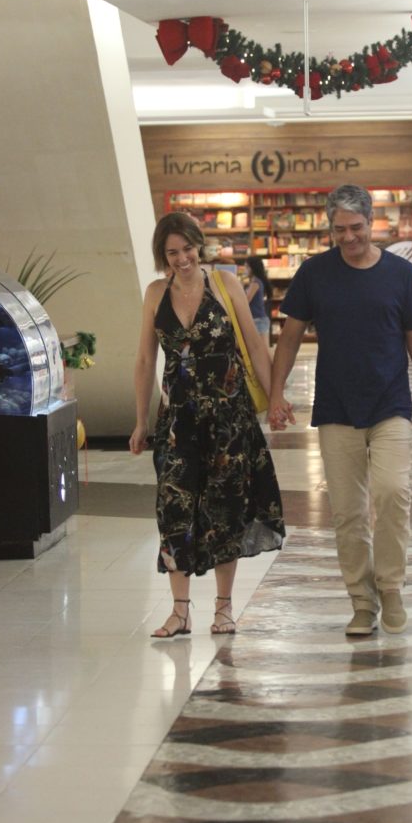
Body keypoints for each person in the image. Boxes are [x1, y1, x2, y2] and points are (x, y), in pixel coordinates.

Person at [268, 184, 412, 637]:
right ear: (330, 228)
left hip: (390, 405)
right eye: (339, 229)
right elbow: (289, 337)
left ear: (372, 224)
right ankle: (362, 602)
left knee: (391, 493)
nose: (348, 237)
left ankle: (391, 587)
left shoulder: (400, 276)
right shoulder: (314, 273)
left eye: (357, 228)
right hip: (336, 408)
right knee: (346, 511)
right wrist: (275, 392)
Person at [129, 212, 285, 639]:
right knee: (173, 510)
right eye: (172, 253)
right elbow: (145, 360)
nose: (182, 259)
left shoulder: (224, 283)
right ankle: (180, 611)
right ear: (163, 257)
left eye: (188, 249)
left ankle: (223, 608)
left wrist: (275, 400)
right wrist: (141, 420)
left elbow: (254, 345)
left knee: (225, 510)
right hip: (177, 422)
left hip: (228, 421)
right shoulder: (155, 294)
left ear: (200, 245)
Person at [244, 255, 272, 337]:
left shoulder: (255, 283)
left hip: (258, 320)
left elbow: (246, 301)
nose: (245, 270)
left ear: (252, 268)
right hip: (258, 319)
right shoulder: (255, 281)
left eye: (246, 267)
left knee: (262, 349)